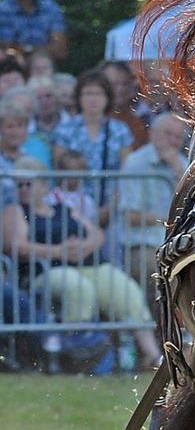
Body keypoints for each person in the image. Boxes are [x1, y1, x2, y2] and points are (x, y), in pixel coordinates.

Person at [0, 156, 161, 367]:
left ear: (43, 184)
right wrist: (60, 252)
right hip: (43, 272)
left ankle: (152, 356)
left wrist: (83, 246)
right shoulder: (16, 211)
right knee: (77, 288)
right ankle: (76, 354)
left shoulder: (62, 208)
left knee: (126, 291)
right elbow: (17, 246)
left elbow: (96, 234)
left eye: (28, 183)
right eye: (19, 184)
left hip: (89, 265)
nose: (22, 189)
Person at [119, 111, 188, 298]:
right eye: (168, 134)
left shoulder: (183, 164)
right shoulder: (136, 163)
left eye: (178, 137)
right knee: (170, 275)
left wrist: (179, 172)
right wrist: (168, 221)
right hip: (142, 246)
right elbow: (131, 216)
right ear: (153, 134)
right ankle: (173, 325)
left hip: (177, 246)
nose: (173, 141)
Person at [0, 0, 69, 62]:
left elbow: (60, 50)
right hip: (11, 70)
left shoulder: (49, 6)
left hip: (45, 68)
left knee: (67, 78)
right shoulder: (2, 9)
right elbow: (6, 49)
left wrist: (26, 49)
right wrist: (44, 49)